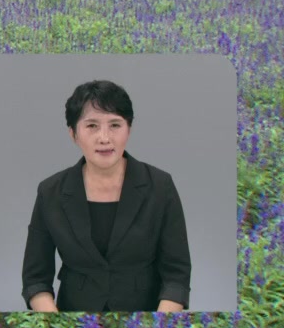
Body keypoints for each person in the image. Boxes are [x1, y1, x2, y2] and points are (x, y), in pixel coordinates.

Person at [21, 79, 191, 314]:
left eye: (115, 125)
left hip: (145, 320)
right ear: (73, 134)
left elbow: (177, 277)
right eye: (91, 126)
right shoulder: (51, 192)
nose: (104, 137)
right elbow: (35, 279)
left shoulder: (160, 186)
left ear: (129, 130)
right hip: (72, 321)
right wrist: (56, 325)